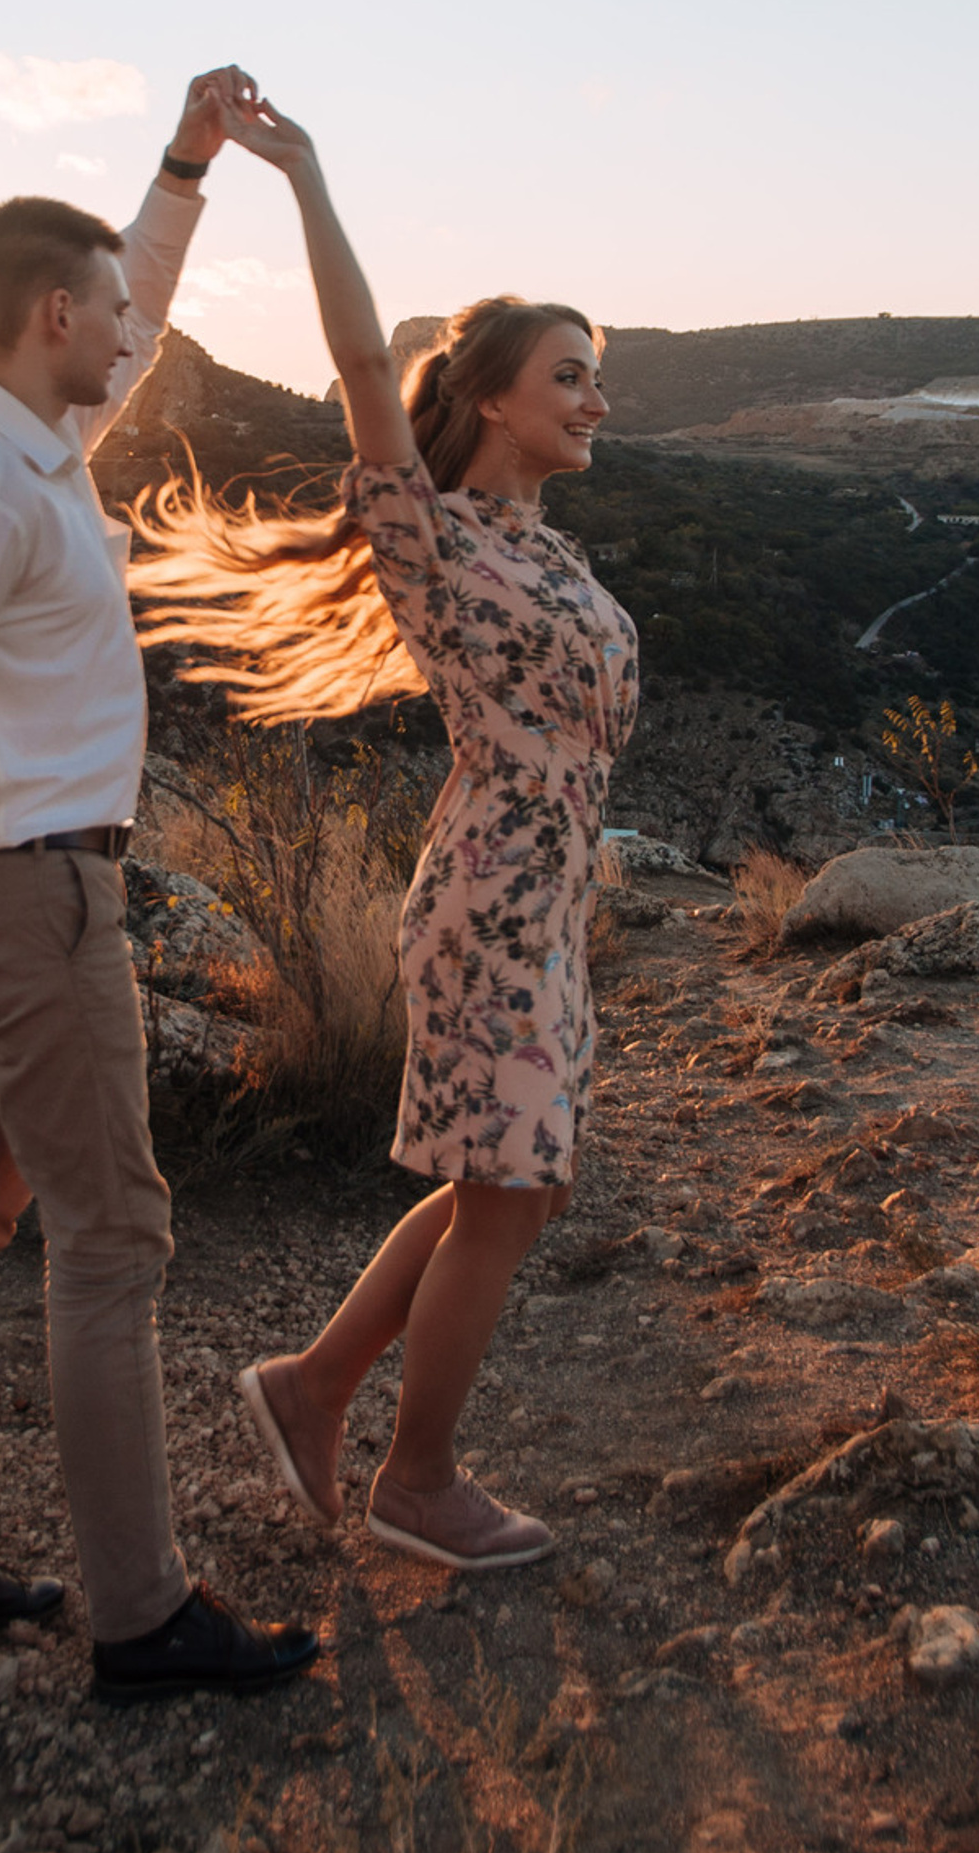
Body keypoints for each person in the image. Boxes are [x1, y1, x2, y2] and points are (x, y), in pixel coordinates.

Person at [0, 65, 319, 1703]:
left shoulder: (29, 437)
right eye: (105, 311)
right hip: (28, 898)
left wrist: (184, 165)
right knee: (112, 1236)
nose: (133, 333)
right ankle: (142, 1617)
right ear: (52, 318)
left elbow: (140, 294)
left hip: (4, 887)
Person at [129, 92, 638, 1569]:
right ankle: (417, 1484)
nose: (595, 401)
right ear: (492, 398)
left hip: (546, 908)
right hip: (490, 902)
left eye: (599, 378)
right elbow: (362, 361)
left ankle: (312, 1388)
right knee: (509, 1193)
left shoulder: (550, 551)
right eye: (569, 376)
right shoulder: (433, 536)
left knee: (515, 1190)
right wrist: (304, 175)